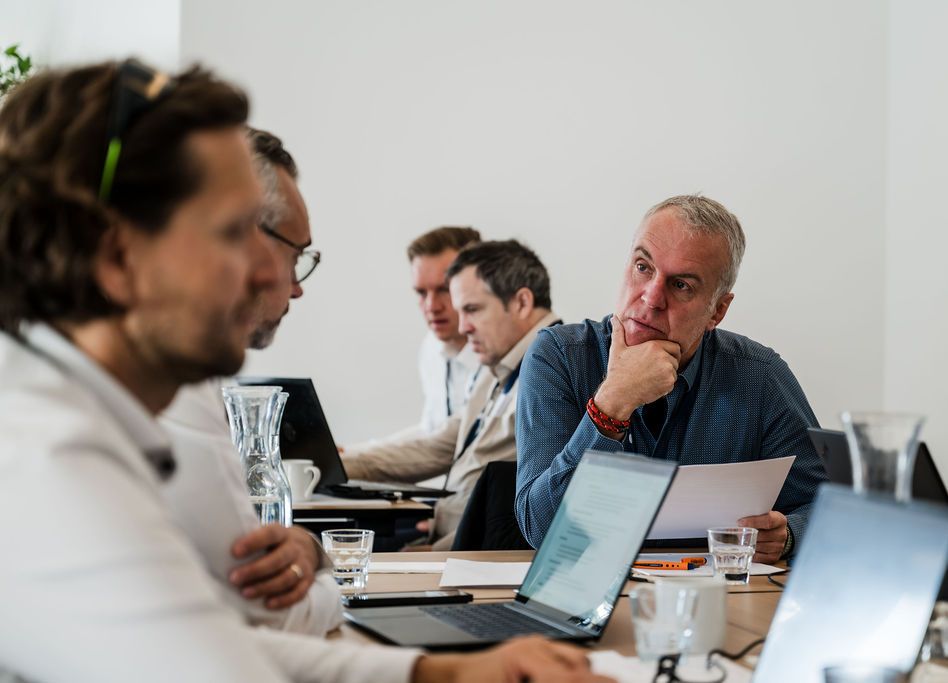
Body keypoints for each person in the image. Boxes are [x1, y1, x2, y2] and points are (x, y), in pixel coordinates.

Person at [0, 59, 608, 683]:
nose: (273, 276)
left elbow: (216, 642)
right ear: (115, 257)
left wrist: (441, 674)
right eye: (233, 233)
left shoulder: (68, 418)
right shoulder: (50, 460)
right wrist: (323, 572)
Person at [514, 194, 828, 562]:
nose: (651, 297)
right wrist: (613, 402)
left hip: (715, 592)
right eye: (643, 267)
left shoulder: (760, 376)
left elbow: (826, 505)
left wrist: (789, 535)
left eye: (681, 285)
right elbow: (541, 528)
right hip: (586, 588)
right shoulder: (559, 356)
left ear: (718, 311)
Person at [159, 128, 338, 634]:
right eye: (295, 256)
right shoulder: (179, 387)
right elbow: (269, 614)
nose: (294, 288)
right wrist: (318, 560)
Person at [343, 240, 559, 550]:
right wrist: (339, 463)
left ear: (522, 303)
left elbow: (536, 515)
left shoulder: (556, 374)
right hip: (449, 539)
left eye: (472, 310)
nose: (463, 327)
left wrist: (437, 552)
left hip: (472, 554)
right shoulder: (498, 367)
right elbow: (438, 447)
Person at [408, 226, 482, 434]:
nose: (431, 306)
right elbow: (431, 432)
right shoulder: (431, 346)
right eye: (421, 292)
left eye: (444, 289)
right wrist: (353, 450)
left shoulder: (505, 355)